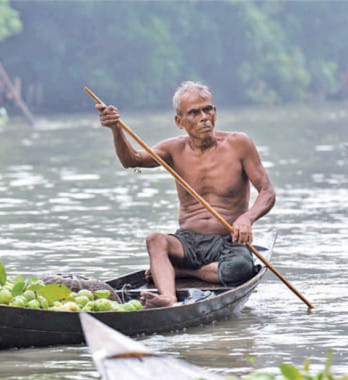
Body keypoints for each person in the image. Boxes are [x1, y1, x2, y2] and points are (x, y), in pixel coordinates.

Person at [95, 81, 275, 308]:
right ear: (179, 122)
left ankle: (184, 272)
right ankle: (168, 298)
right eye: (194, 113)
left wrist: (247, 218)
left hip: (228, 241)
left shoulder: (239, 144)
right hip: (188, 242)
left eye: (207, 109)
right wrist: (116, 129)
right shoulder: (173, 149)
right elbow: (132, 160)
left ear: (215, 112)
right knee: (156, 240)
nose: (204, 118)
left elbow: (267, 192)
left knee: (240, 269)